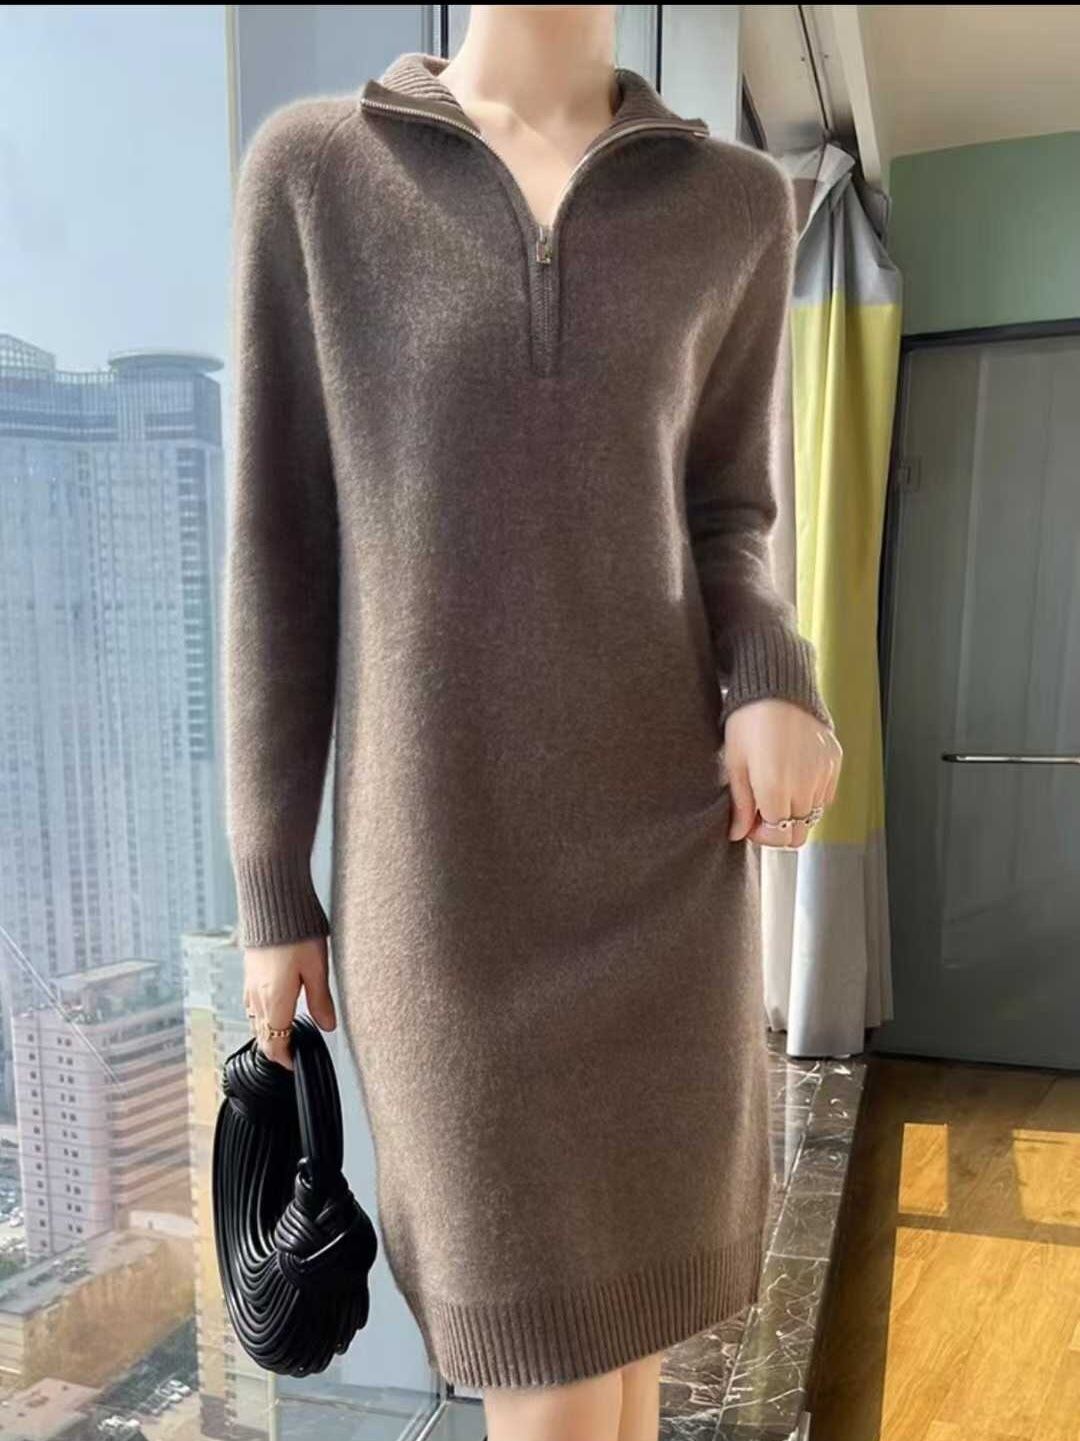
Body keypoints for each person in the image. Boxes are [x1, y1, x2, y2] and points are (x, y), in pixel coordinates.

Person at [225, 7, 842, 1440]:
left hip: (667, 880)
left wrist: (770, 669)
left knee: (621, 1370)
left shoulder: (736, 206)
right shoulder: (315, 174)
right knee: (551, 1375)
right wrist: (272, 881)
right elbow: (279, 552)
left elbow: (730, 515)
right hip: (446, 895)